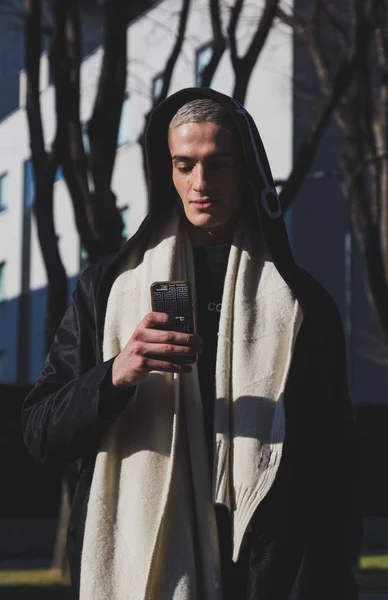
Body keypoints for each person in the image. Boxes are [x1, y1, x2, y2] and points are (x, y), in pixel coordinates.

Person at [22, 88, 362, 600]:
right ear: (167, 173)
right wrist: (117, 372)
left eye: (218, 165)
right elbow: (41, 433)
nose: (200, 183)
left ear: (246, 171)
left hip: (268, 574)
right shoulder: (109, 289)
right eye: (184, 165)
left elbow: (336, 466)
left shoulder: (300, 301)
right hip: (144, 565)